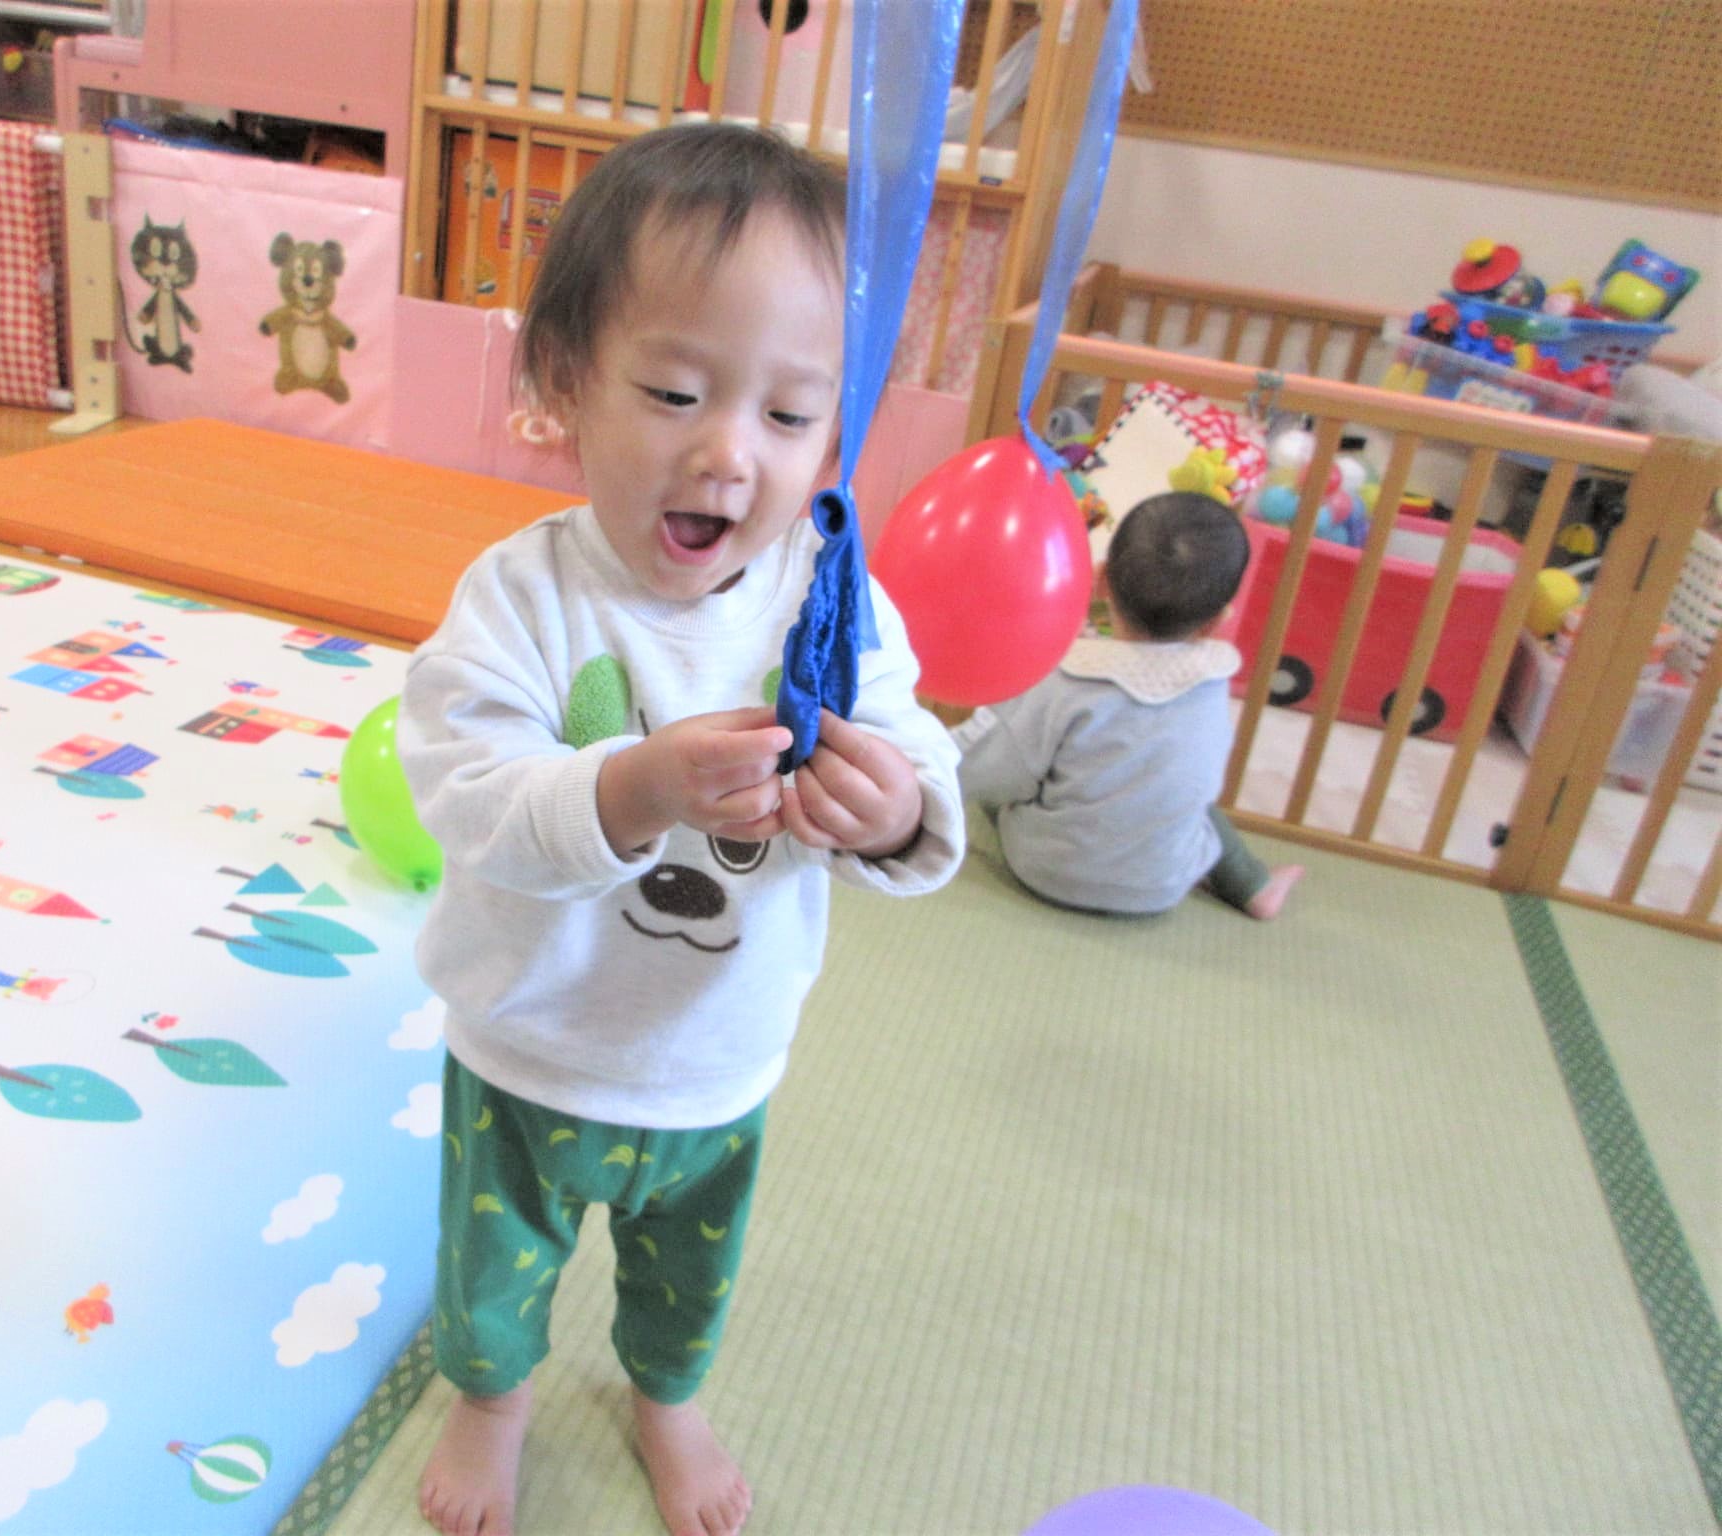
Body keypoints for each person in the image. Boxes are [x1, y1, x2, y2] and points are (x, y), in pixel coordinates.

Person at [397, 122, 964, 1536]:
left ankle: (667, 1399)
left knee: (687, 1275)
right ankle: (493, 1402)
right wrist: (630, 789)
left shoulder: (828, 598)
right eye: (673, 392)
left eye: (788, 416)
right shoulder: (520, 597)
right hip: (528, 1040)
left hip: (716, 1056)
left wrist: (894, 808)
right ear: (564, 383)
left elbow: (912, 739)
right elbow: (463, 790)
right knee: (491, 1270)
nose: (726, 453)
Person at [955, 489, 1303, 921]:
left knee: (1006, 772)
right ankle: (1254, 885)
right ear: (1217, 620)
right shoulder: (1211, 682)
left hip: (1049, 871)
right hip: (1161, 886)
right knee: (1191, 805)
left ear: (1101, 581)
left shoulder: (1068, 675)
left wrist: (917, 774)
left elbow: (981, 767)